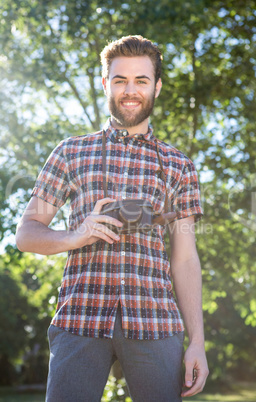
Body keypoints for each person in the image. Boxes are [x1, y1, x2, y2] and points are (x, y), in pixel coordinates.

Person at [16, 35, 209, 401]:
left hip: (155, 323)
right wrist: (76, 235)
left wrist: (197, 341)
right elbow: (25, 234)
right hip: (80, 321)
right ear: (106, 84)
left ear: (157, 86)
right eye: (120, 80)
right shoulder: (71, 152)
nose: (130, 90)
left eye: (141, 80)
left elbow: (185, 257)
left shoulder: (178, 165)